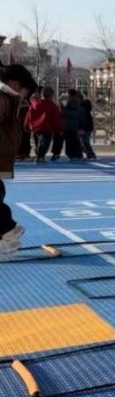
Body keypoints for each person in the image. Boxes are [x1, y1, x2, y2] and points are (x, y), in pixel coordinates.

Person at [0, 64, 36, 255]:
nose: (26, 99)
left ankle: (8, 231)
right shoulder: (3, 99)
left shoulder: (6, 98)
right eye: (26, 94)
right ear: (15, 85)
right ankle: (8, 230)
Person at [25, 86, 63, 163]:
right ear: (51, 96)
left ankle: (39, 155)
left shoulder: (34, 105)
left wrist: (27, 126)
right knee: (45, 143)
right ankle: (40, 156)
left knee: (38, 142)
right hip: (46, 127)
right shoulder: (52, 106)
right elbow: (56, 118)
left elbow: (29, 115)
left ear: (42, 94)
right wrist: (59, 128)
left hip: (35, 127)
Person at [77, 92, 97, 160]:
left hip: (85, 127)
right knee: (83, 142)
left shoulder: (82, 107)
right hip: (86, 127)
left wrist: (82, 128)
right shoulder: (84, 107)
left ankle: (90, 154)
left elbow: (84, 118)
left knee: (84, 141)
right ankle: (89, 154)